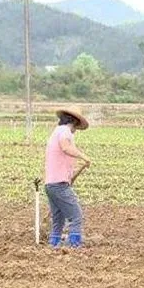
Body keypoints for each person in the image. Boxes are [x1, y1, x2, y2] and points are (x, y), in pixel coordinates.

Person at [44, 106, 91, 248]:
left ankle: (54, 242)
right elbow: (65, 147)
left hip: (50, 183)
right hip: (59, 184)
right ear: (75, 122)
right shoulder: (65, 131)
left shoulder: (56, 131)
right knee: (76, 214)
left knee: (58, 217)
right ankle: (74, 244)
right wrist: (84, 156)